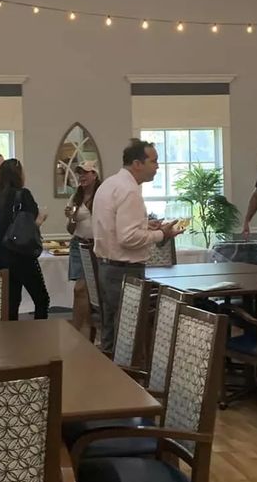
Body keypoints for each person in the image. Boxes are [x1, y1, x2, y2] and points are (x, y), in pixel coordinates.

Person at [92, 139, 185, 354]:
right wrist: (163, 233)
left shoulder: (110, 183)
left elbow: (114, 228)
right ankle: (127, 381)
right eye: (154, 161)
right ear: (137, 163)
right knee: (126, 337)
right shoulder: (130, 190)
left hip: (107, 267)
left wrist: (145, 225)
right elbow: (128, 238)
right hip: (125, 270)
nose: (158, 166)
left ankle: (108, 377)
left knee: (111, 333)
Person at [0, 158, 50, 320]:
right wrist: (41, 218)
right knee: (41, 299)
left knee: (12, 301)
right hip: (23, 255)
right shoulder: (23, 194)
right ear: (18, 174)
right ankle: (38, 337)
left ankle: (11, 339)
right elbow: (32, 224)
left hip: (5, 255)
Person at [64, 160, 100, 336]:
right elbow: (70, 229)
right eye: (80, 173)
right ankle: (84, 328)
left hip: (95, 246)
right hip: (78, 245)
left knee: (82, 289)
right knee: (80, 289)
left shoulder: (101, 196)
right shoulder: (76, 197)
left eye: (86, 172)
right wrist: (71, 218)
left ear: (94, 175)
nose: (82, 176)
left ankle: (78, 329)